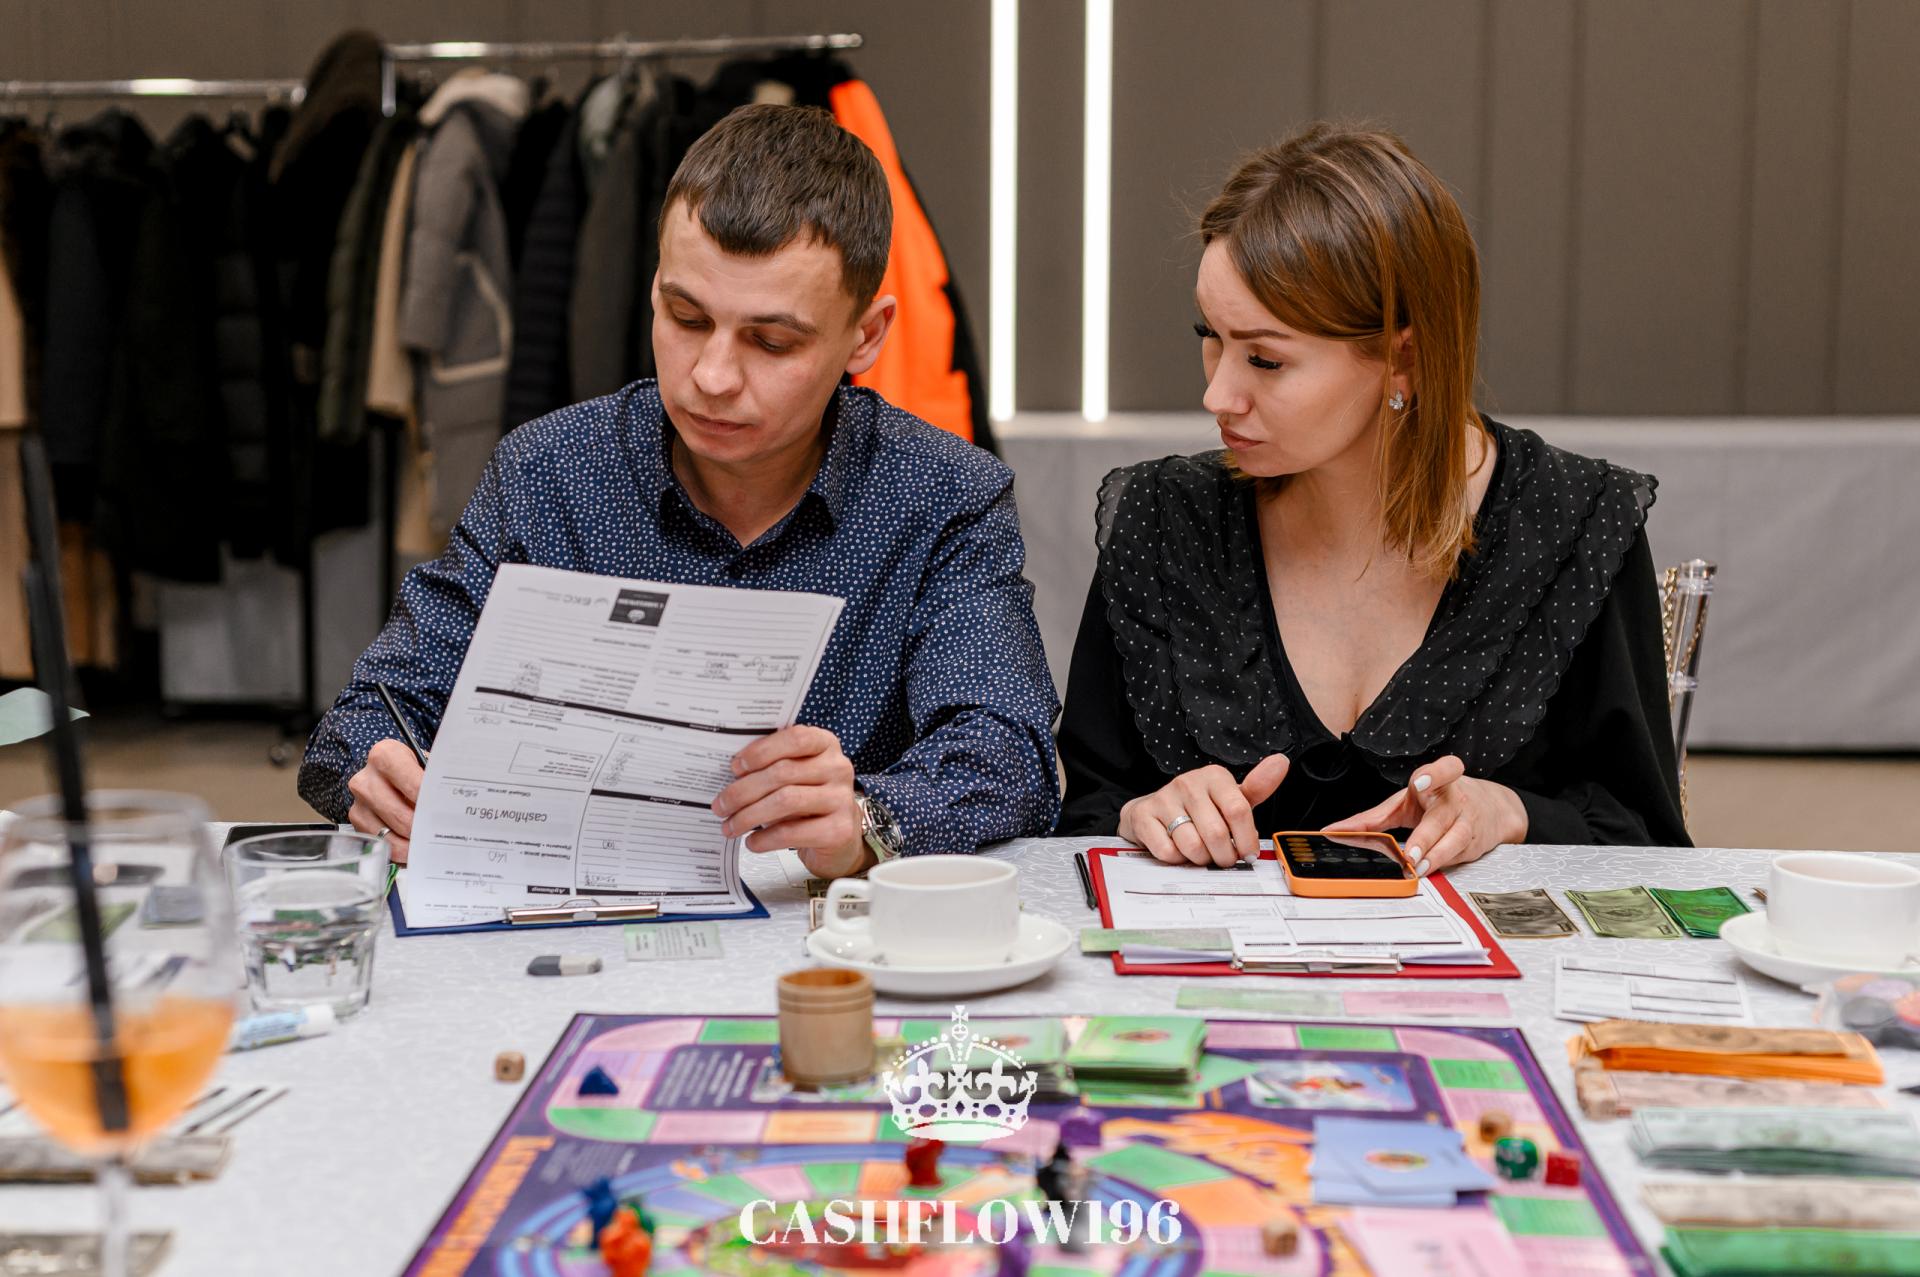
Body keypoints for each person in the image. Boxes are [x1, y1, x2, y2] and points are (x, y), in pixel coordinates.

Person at [299, 104, 1059, 880]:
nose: (713, 376)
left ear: (865, 336)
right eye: (687, 317)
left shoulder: (942, 495)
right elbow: (369, 713)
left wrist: (867, 820)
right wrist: (382, 772)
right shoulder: (549, 474)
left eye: (771, 341)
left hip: (831, 925)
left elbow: (1010, 751)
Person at [1056, 123, 1688, 872]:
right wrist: (1141, 814)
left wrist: (1512, 812)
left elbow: (1645, 840)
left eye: (1265, 359)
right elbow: (1087, 811)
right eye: (1211, 335)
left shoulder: (1571, 521)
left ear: (1402, 357)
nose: (1217, 394)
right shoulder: (1166, 520)